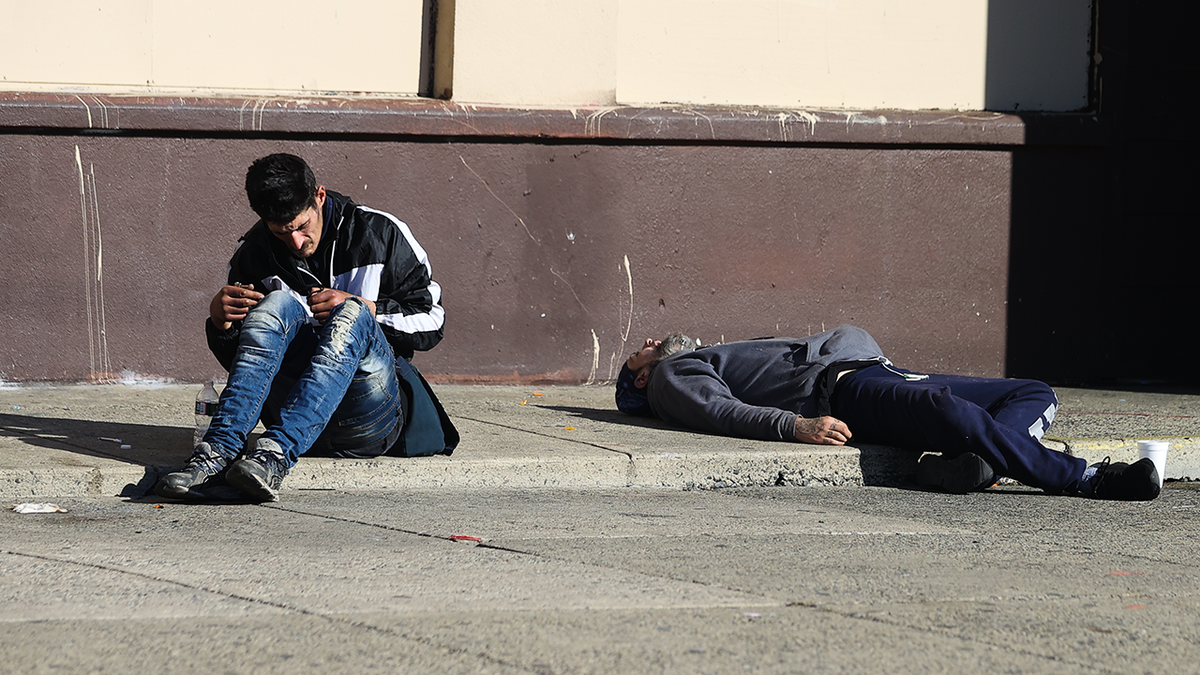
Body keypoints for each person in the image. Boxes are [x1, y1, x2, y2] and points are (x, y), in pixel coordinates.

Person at [155, 153, 455, 503]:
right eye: (282, 232)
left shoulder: (380, 233)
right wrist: (221, 324)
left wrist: (364, 308)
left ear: (320, 196)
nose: (296, 242)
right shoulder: (253, 254)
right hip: (288, 405)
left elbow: (432, 321)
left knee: (352, 315)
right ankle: (216, 454)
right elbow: (248, 366)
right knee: (275, 306)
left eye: (302, 226)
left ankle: (274, 457)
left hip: (369, 414)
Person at [614, 325, 1160, 501]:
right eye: (641, 348)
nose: (650, 339)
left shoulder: (704, 357)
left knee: (1034, 391)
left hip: (878, 371)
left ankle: (985, 463)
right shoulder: (672, 374)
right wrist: (795, 425)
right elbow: (723, 413)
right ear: (641, 376)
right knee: (944, 411)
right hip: (846, 393)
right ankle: (1084, 477)